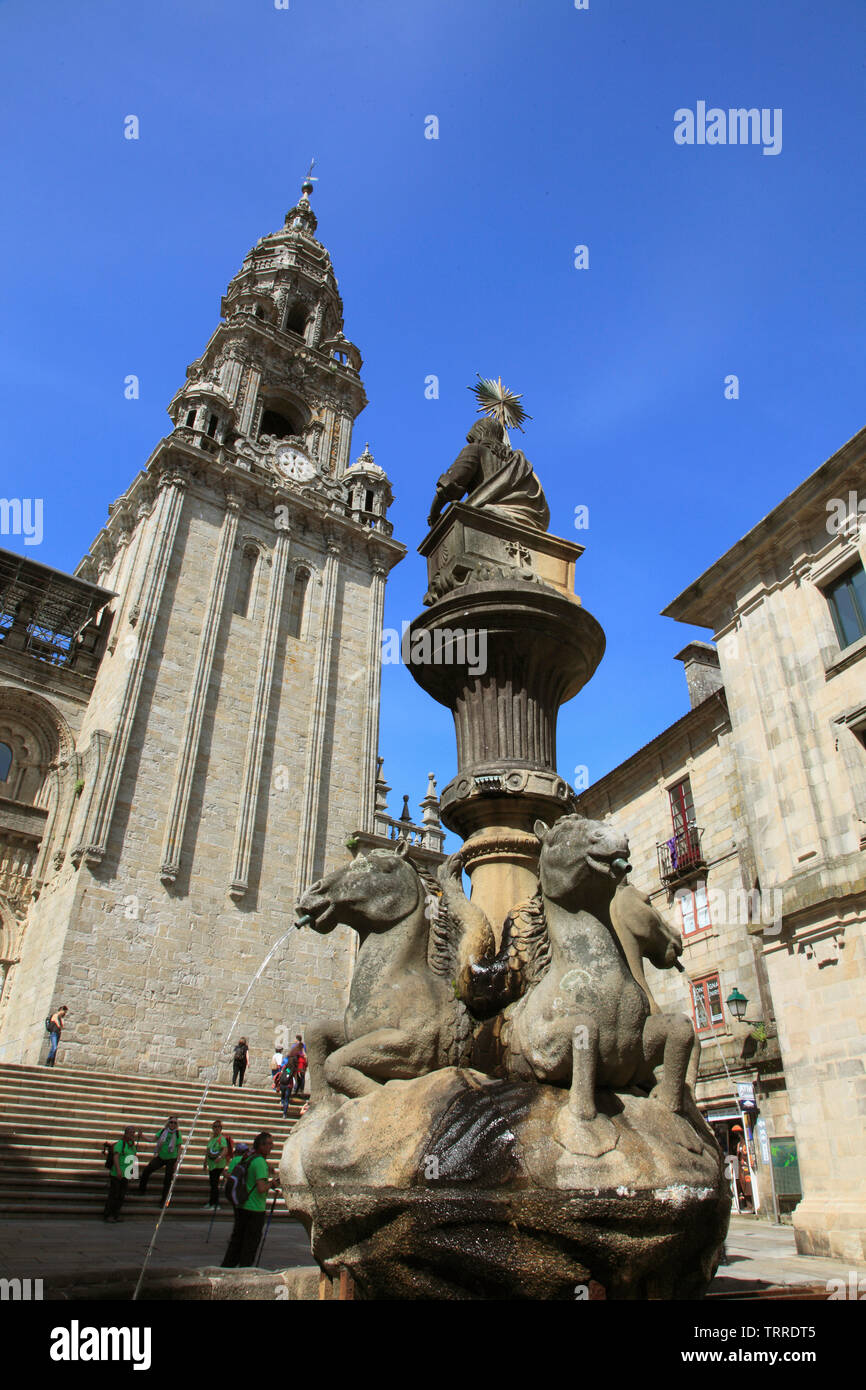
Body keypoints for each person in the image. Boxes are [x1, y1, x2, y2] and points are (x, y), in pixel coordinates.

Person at [221, 1131, 280, 1268]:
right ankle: (245, 1271)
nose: (272, 1146)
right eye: (269, 1144)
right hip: (255, 1209)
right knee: (250, 1244)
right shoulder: (259, 1162)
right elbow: (261, 1187)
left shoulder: (250, 1157)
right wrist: (272, 1184)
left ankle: (227, 1267)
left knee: (237, 1241)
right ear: (262, 1145)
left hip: (242, 1206)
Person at [138, 1116, 183, 1204]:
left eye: (175, 1123)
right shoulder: (163, 1131)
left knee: (167, 1180)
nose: (173, 1124)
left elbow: (179, 1148)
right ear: (168, 1123)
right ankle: (141, 1190)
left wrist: (177, 1162)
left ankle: (164, 1201)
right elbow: (152, 1140)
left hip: (171, 1158)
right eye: (171, 1122)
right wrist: (142, 1136)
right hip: (161, 1156)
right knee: (147, 1171)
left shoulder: (178, 1133)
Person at [103, 1126, 143, 1222]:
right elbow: (116, 1157)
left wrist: (133, 1172)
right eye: (130, 1132)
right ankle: (108, 1215)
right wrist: (118, 1170)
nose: (132, 1134)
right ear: (125, 1133)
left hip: (126, 1174)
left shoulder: (132, 1145)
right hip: (117, 1174)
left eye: (133, 1132)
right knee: (114, 1195)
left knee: (121, 1195)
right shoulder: (121, 1143)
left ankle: (116, 1215)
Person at [202, 1119, 231, 1210]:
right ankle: (211, 1203)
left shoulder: (221, 1139)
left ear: (221, 1129)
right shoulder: (211, 1139)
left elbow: (225, 1149)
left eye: (219, 1127)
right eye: (215, 1126)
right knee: (212, 1184)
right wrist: (205, 1162)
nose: (217, 1128)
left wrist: (220, 1157)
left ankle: (215, 1204)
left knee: (214, 1184)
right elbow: (208, 1151)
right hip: (212, 1164)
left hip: (218, 1165)